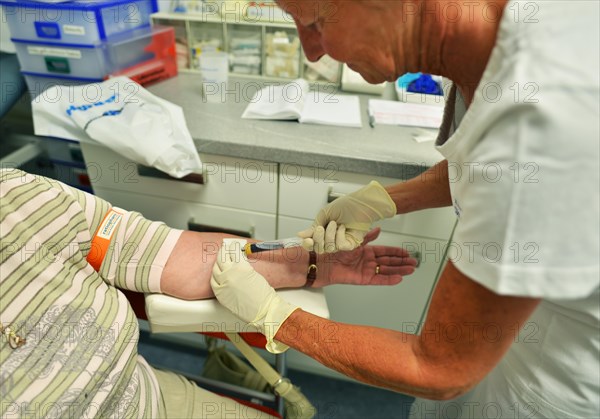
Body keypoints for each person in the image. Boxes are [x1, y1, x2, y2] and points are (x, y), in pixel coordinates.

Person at [210, 0, 600, 418]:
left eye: (316, 23)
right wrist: (381, 201)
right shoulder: (500, 40)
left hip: (546, 387)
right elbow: (482, 166)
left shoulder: (547, 114)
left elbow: (437, 368)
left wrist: (273, 317)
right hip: (506, 345)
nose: (312, 52)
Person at [0, 168, 417, 418]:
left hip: (140, 397)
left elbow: (173, 255)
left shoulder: (21, 195)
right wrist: (277, 317)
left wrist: (307, 265)